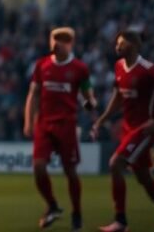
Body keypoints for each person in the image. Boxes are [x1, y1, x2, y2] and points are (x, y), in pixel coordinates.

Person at [92, 29, 154, 232]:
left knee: (115, 164)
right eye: (116, 43)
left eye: (121, 43)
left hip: (143, 129)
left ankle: (120, 221)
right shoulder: (118, 66)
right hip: (127, 128)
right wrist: (102, 119)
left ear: (132, 44)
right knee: (143, 178)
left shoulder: (148, 70)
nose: (117, 46)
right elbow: (118, 97)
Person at [23, 27, 97, 231]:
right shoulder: (42, 65)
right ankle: (53, 206)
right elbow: (34, 94)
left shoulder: (79, 68)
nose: (57, 43)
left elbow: (88, 96)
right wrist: (28, 120)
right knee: (38, 167)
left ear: (70, 44)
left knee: (70, 171)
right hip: (44, 123)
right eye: (55, 39)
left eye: (63, 40)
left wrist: (90, 103)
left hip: (66, 124)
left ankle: (77, 213)